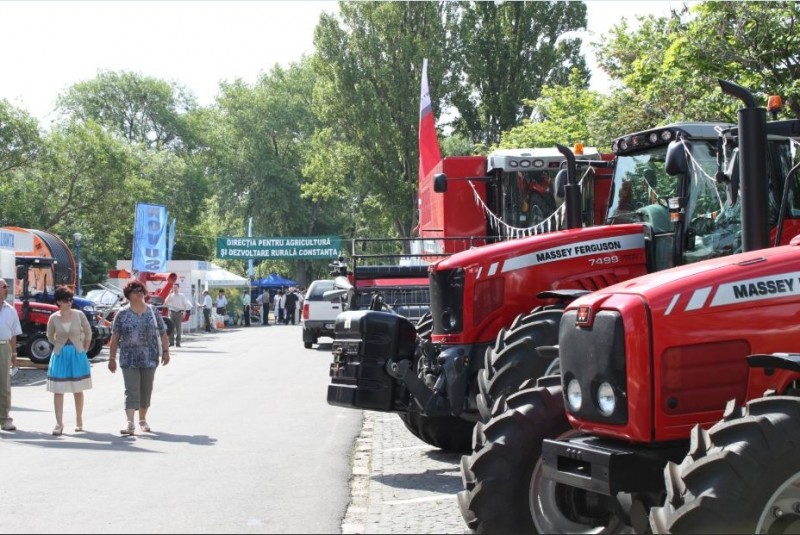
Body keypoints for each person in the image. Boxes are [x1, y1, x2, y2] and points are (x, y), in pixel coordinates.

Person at [108, 280, 170, 435]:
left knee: (146, 390)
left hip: (150, 357)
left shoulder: (152, 311)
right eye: (135, 291)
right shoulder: (122, 314)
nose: (139, 293)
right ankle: (130, 423)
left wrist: (166, 351)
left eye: (141, 290)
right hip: (128, 358)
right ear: (128, 295)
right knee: (131, 389)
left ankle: (142, 419)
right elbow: (115, 337)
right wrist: (111, 358)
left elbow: (163, 332)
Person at [45, 285, 92, 435]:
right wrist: (58, 345)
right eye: (66, 300)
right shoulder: (53, 317)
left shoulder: (79, 314)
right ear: (58, 302)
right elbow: (49, 335)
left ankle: (79, 419)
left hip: (77, 353)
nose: (69, 302)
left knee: (78, 389)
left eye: (70, 299)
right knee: (58, 390)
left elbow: (88, 331)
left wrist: (84, 348)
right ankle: (59, 423)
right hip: (60, 355)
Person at [0, 281, 22, 432]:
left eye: (7, 286)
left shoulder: (11, 310)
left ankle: (5, 419)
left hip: (4, 347)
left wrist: (14, 354)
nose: (7, 289)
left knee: (4, 385)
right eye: (4, 287)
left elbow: (14, 334)